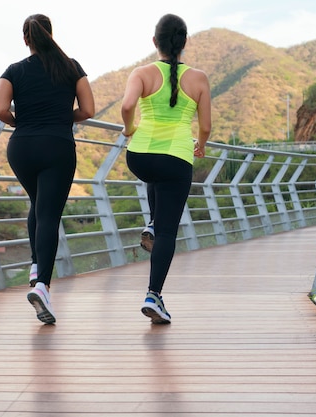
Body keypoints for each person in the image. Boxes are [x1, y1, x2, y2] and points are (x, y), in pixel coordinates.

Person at [0, 14, 95, 325]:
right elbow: (88, 109)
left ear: (26, 40)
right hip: (57, 146)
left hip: (21, 146)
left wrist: (21, 122)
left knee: (38, 203)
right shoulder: (71, 66)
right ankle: (42, 286)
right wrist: (63, 118)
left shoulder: (14, 70)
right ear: (51, 34)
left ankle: (37, 265)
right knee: (49, 213)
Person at [121, 13, 211, 324]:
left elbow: (127, 107)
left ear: (154, 42)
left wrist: (129, 128)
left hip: (140, 156)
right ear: (184, 43)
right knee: (168, 232)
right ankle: (153, 295)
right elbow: (207, 126)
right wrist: (200, 143)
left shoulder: (141, 73)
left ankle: (152, 223)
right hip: (176, 156)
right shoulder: (198, 78)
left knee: (156, 175)